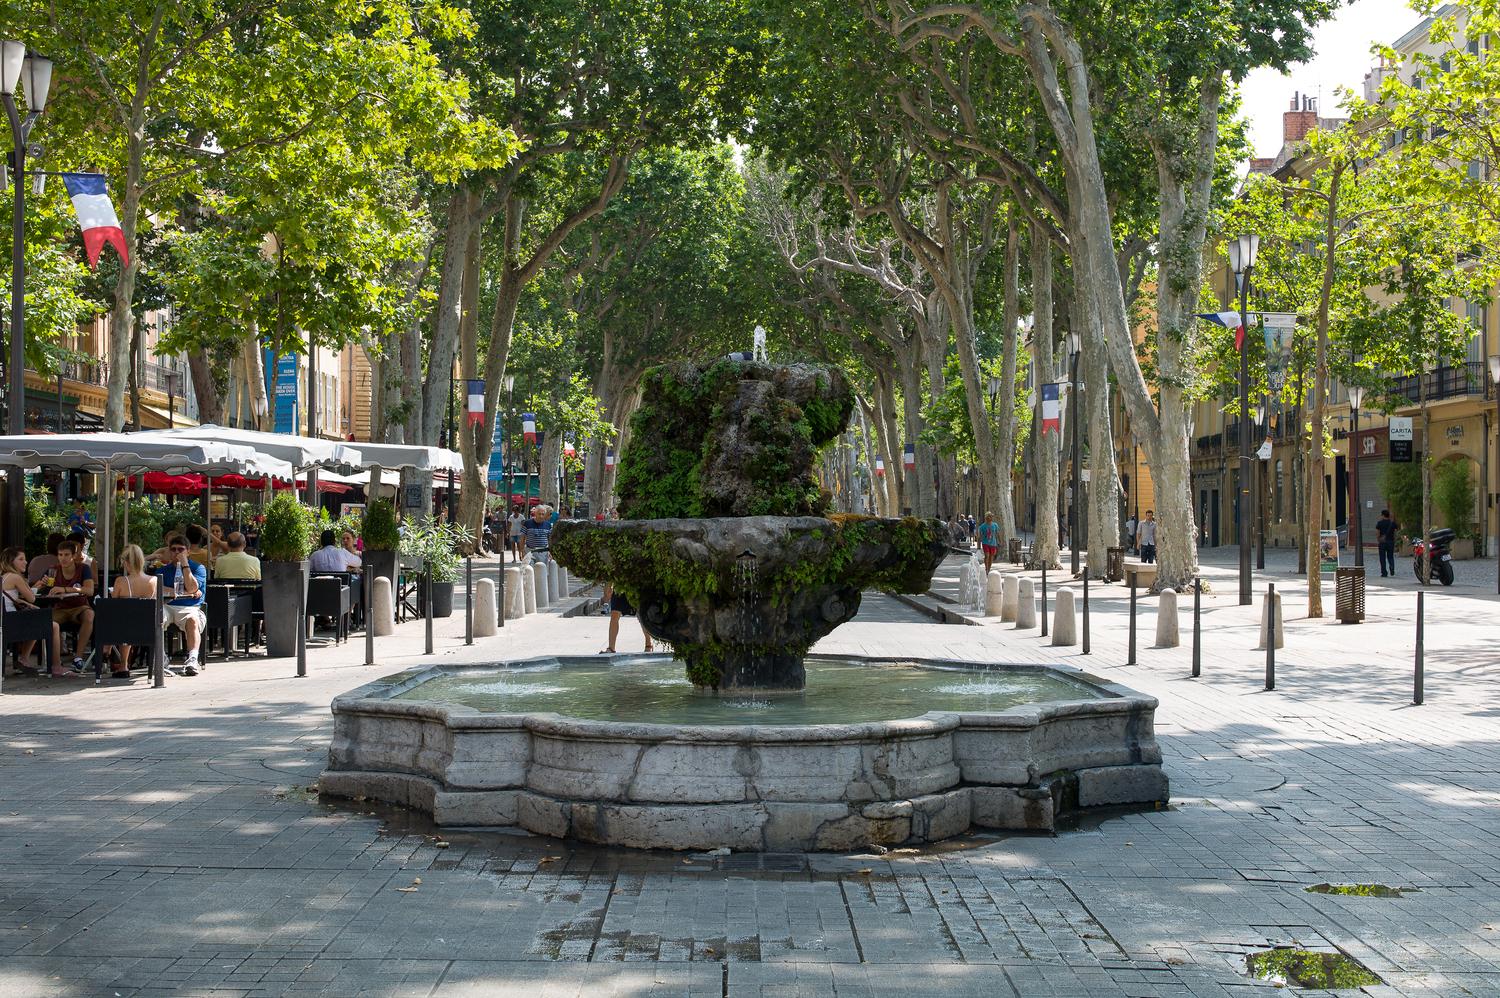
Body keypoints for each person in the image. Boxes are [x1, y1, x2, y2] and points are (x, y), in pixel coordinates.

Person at [1, 547, 66, 677]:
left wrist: (31, 593)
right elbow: (31, 598)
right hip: (12, 622)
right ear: (11, 561)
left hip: (5, 620)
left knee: (37, 618)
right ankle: (56, 666)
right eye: (21, 559)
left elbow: (13, 598)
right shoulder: (15, 577)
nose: (25, 562)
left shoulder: (4, 577)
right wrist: (37, 587)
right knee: (53, 625)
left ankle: (24, 659)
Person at [103, 545, 158, 680]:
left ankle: (110, 652)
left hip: (125, 629)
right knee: (129, 620)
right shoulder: (154, 580)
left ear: (126, 562)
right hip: (148, 627)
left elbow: (113, 605)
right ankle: (115, 656)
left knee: (115, 617)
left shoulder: (121, 581)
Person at [42, 538, 95, 674]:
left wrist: (65, 589)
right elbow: (40, 589)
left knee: (90, 615)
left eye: (66, 555)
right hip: (60, 607)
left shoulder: (83, 568)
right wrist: (42, 583)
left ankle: (78, 657)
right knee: (45, 621)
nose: (63, 558)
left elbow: (90, 590)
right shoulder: (53, 570)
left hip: (79, 607)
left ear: (74, 556)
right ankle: (54, 662)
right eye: (60, 555)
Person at [157, 534, 207, 676]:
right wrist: (179, 592)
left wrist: (184, 564)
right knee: (156, 616)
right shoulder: (162, 570)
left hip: (189, 607)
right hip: (167, 605)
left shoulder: (198, 568)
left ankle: (192, 659)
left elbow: (192, 588)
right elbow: (157, 588)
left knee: (193, 620)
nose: (177, 552)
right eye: (173, 549)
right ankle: (161, 658)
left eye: (181, 549)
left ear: (188, 551)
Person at [600, 583, 654, 654]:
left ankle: (648, 643)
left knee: (641, 615)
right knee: (614, 615)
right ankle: (611, 648)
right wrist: (608, 586)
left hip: (635, 585)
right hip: (619, 586)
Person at [1375, 508, 1399, 578]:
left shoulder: (1379, 523)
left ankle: (1384, 572)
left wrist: (1378, 539)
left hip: (1382, 542)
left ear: (1383, 515)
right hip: (1390, 541)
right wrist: (1394, 540)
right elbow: (1395, 532)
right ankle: (1392, 567)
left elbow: (1377, 533)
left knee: (1382, 558)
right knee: (1390, 556)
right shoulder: (1392, 523)